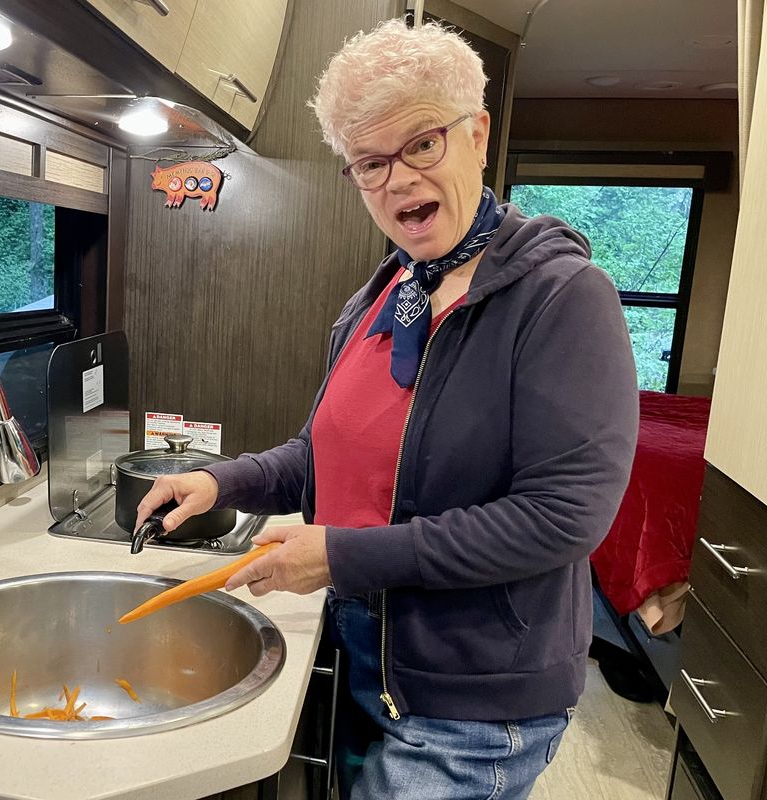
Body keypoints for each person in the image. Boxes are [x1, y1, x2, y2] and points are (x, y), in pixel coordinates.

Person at [134, 17, 638, 800]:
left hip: (474, 703)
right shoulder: (383, 297)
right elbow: (323, 454)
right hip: (368, 655)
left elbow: (562, 517)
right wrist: (221, 481)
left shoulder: (562, 297)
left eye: (422, 145)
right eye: (370, 162)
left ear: (476, 134)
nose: (398, 179)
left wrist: (339, 556)